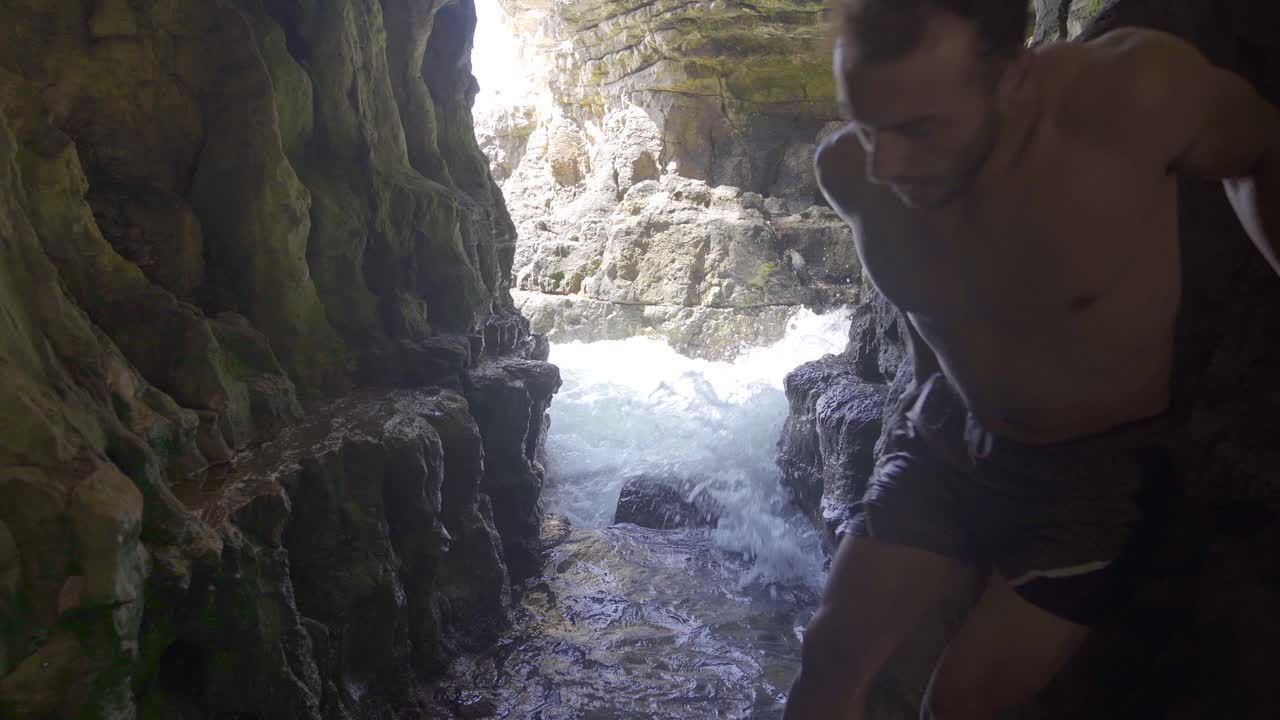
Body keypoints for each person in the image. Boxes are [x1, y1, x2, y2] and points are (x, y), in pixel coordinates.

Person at [784, 0, 1280, 718]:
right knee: (829, 659)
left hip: (1093, 477)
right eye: (868, 126)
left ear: (1015, 78)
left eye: (920, 128)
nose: (887, 164)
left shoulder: (1133, 97)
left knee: (961, 708)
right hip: (945, 444)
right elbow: (929, 310)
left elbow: (1260, 146)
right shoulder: (851, 175)